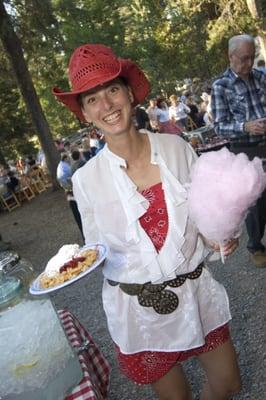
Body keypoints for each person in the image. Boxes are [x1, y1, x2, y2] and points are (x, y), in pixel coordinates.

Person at [53, 44, 241, 400]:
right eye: (92, 99)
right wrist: (71, 265)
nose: (106, 105)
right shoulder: (85, 181)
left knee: (228, 383)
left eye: (111, 90)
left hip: (196, 292)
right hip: (141, 312)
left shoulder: (177, 148)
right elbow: (99, 251)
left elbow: (204, 214)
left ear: (129, 92)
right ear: (84, 113)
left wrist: (217, 236)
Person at [211, 34, 266, 268]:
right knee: (255, 202)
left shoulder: (261, 76)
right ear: (230, 56)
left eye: (251, 58)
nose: (248, 64)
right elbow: (219, 126)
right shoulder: (220, 86)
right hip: (245, 150)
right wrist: (245, 126)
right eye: (243, 59)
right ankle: (255, 245)